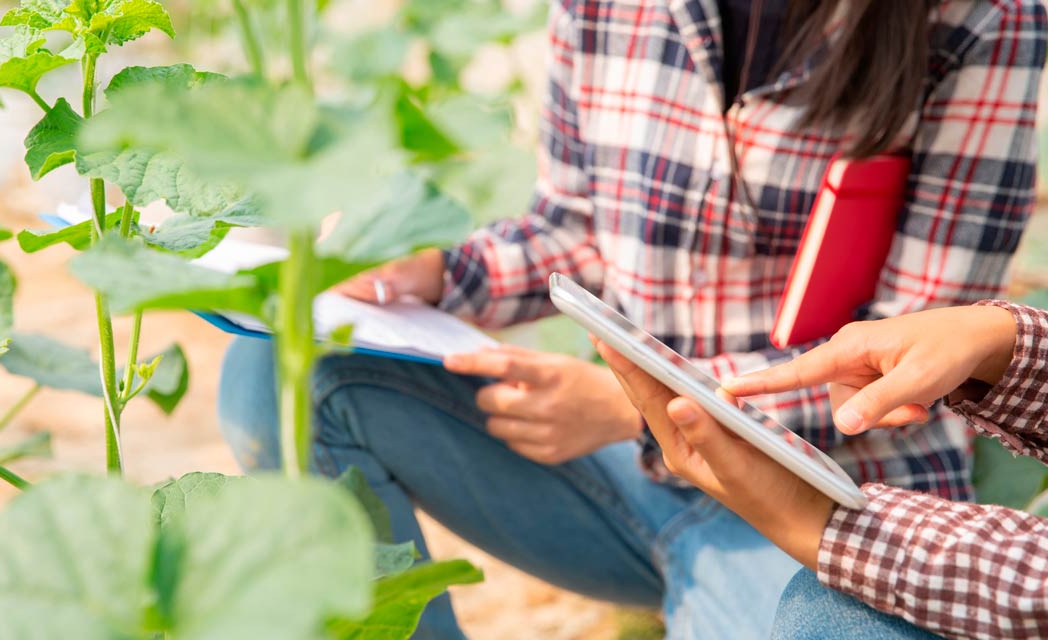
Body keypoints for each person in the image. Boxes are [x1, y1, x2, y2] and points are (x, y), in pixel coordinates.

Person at [217, 0, 1045, 637]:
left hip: (829, 511)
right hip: (620, 477)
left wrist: (630, 407)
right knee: (284, 378)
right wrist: (437, 272)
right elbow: (572, 229)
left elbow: (911, 360)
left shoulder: (983, 18)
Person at [593, 299, 1048, 640]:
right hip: (691, 492)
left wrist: (825, 526)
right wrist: (1001, 341)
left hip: (881, 490)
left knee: (828, 614)